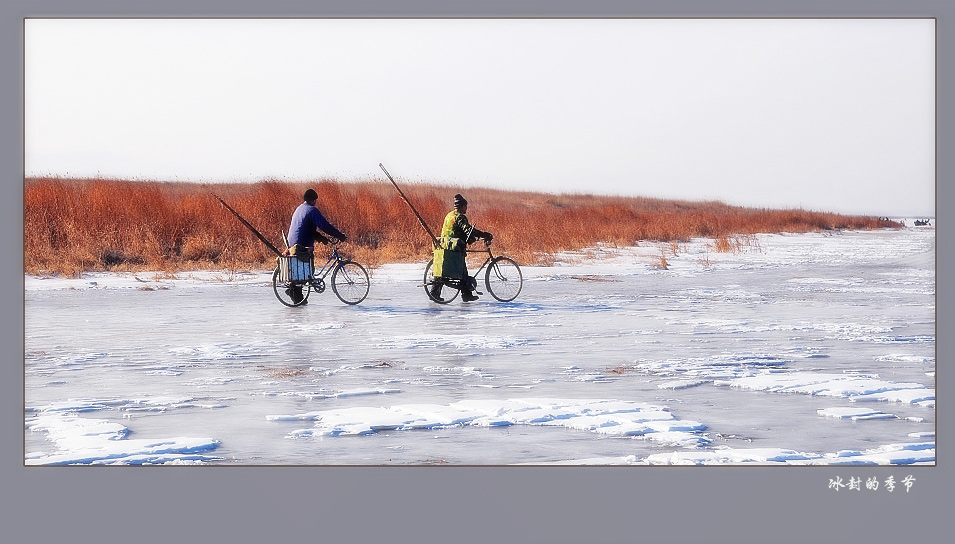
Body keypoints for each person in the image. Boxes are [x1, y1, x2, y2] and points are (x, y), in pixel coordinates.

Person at [285, 188, 347, 304]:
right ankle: (294, 292)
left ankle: (296, 293)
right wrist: (340, 235)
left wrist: (321, 238)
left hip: (292, 243)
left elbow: (306, 228)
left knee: (304, 269)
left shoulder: (300, 208)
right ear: (314, 200)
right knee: (307, 270)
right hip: (301, 245)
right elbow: (324, 225)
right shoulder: (312, 210)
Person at [430, 193, 492, 302]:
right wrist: (484, 234)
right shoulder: (460, 217)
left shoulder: (449, 215)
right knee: (461, 269)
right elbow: (468, 230)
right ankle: (466, 294)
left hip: (445, 245)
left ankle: (464, 294)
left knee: (448, 268)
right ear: (462, 206)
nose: (466, 209)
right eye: (465, 206)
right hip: (455, 247)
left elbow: (460, 231)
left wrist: (471, 237)